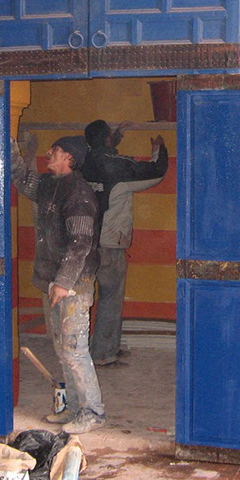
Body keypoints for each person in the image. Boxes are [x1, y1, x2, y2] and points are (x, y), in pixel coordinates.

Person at [10, 133, 105, 434]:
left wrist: (63, 282)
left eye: (56, 149)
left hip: (73, 284)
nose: (49, 152)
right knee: (63, 349)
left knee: (75, 349)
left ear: (69, 158)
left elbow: (81, 242)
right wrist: (9, 145)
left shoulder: (79, 193)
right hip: (55, 282)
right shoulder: (50, 185)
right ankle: (74, 408)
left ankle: (93, 412)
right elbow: (22, 179)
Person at [82, 120, 169, 367]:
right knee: (110, 297)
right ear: (107, 139)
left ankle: (98, 348)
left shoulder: (84, 162)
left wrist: (116, 137)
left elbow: (103, 155)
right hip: (109, 242)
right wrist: (159, 149)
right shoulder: (117, 167)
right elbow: (155, 172)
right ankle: (103, 353)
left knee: (87, 298)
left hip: (85, 241)